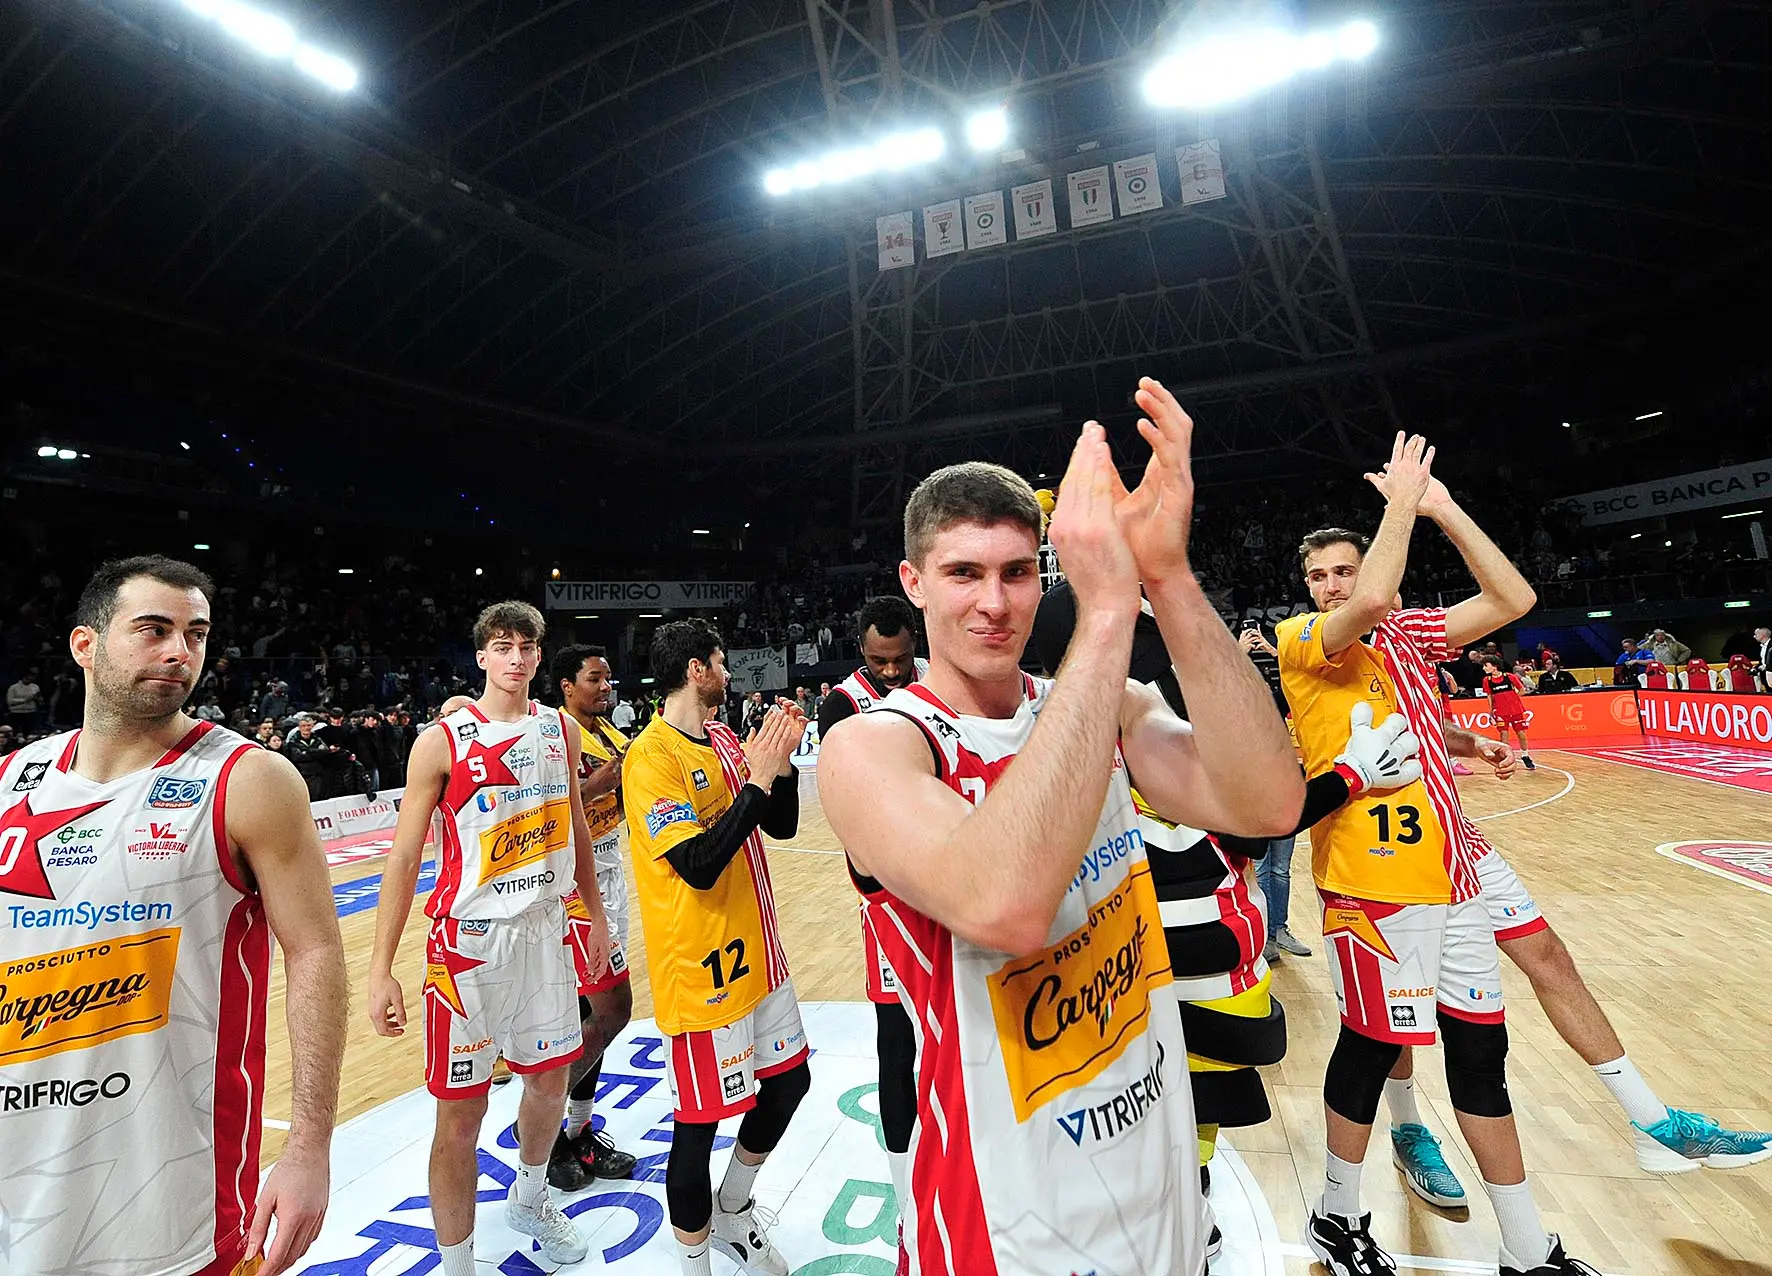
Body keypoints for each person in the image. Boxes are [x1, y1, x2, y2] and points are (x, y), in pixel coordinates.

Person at [819, 380, 1304, 1275]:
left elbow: (1269, 803)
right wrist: (1111, 610)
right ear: (913, 582)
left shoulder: (1097, 705)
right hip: (1007, 1217)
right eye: (964, 573)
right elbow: (1005, 908)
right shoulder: (875, 748)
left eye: (1014, 572)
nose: (995, 604)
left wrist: (1167, 576)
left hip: (1154, 1166)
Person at [0, 555, 346, 1276]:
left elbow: (315, 950)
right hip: (19, 1176)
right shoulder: (13, 779)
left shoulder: (247, 778)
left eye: (196, 634)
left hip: (174, 1189)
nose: (179, 651)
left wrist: (309, 1146)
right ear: (84, 644)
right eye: (153, 629)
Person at [366, 602, 613, 1275]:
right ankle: (458, 1265)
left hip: (545, 932)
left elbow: (577, 827)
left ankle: (530, 1201)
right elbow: (404, 857)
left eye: (527, 646)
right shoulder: (440, 741)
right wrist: (379, 967)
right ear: (480, 656)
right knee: (461, 1114)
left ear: (540, 656)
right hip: (466, 948)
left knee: (550, 1078)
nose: (516, 657)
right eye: (502, 646)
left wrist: (596, 916)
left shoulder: (560, 730)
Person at [621, 619, 810, 1276]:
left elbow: (779, 826)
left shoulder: (729, 739)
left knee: (790, 1083)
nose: (730, 676)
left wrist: (779, 766)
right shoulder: (650, 760)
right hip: (704, 971)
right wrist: (757, 781)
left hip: (760, 954)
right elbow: (698, 864)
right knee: (696, 1129)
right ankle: (694, 1265)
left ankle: (732, 1208)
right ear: (697, 670)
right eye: (723, 663)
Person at [815, 594, 927, 1242]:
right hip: (888, 898)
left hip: (949, 881)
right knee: (896, 1040)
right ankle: (905, 1181)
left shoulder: (936, 681)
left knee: (964, 1029)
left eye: (900, 659)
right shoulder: (842, 704)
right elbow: (844, 803)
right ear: (861, 649)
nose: (890, 671)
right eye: (879, 661)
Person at [548, 643, 639, 1188]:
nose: (606, 687)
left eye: (608, 679)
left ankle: (578, 1131)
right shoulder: (553, 733)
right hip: (569, 882)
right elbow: (539, 808)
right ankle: (547, 1128)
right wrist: (593, 786)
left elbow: (623, 805)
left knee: (593, 1019)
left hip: (609, 870)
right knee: (604, 1011)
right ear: (566, 685)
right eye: (595, 679)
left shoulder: (612, 736)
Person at [1238, 624, 1314, 959]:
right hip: (1255, 799)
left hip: (1287, 794)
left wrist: (1271, 650)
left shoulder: (1281, 711)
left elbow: (1296, 676)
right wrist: (1239, 654)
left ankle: (1279, 929)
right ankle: (1266, 935)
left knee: (1280, 869)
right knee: (1263, 869)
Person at [1480, 656, 1535, 771]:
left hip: (1515, 710)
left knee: (1521, 734)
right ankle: (1505, 758)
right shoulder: (1487, 680)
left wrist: (1513, 699)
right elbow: (1489, 696)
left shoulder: (1509, 677)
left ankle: (1525, 756)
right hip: (1500, 712)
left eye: (1486, 665)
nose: (1484, 668)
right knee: (1503, 735)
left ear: (1494, 666)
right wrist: (1491, 711)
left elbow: (1522, 690)